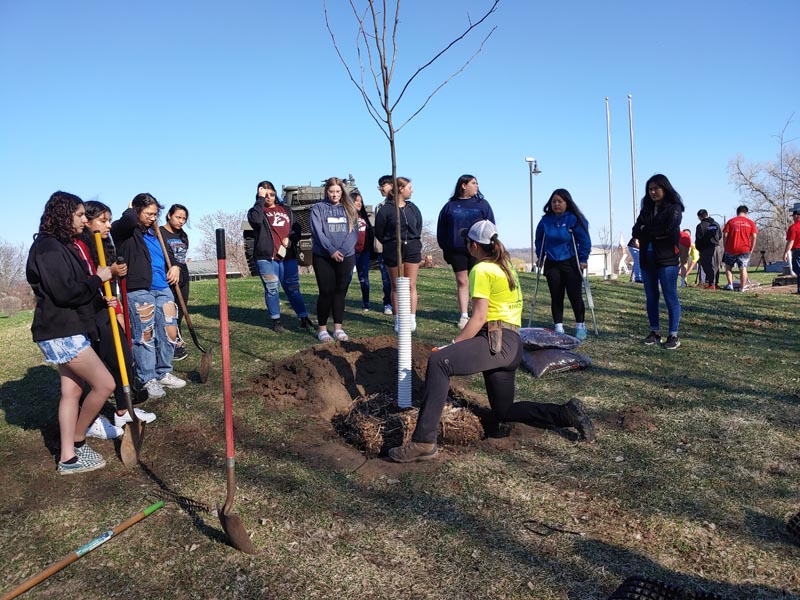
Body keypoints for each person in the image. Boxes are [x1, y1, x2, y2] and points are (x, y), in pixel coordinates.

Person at [388, 220, 596, 463]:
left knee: (439, 361)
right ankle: (564, 413)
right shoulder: (506, 265)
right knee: (504, 411)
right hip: (512, 344)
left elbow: (478, 318)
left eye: (467, 242)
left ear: (474, 245)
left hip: (496, 341)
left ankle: (423, 441)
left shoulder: (482, 269)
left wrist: (452, 344)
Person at [26, 191, 116, 474]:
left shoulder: (61, 245)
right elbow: (65, 291)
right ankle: (78, 438)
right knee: (105, 384)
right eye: (78, 215)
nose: (82, 220)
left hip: (68, 327)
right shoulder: (48, 248)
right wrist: (97, 279)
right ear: (63, 215)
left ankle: (67, 457)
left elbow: (75, 288)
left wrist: (100, 297)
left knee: (72, 391)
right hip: (61, 331)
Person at [81, 201, 157, 438]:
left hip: (110, 309)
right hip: (90, 316)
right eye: (103, 221)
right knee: (99, 368)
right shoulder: (82, 247)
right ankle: (89, 419)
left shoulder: (106, 244)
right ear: (88, 222)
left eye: (109, 220)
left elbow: (110, 282)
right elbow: (85, 283)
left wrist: (118, 304)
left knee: (122, 359)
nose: (108, 225)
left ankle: (124, 410)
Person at [111, 193, 187, 398]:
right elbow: (126, 221)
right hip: (138, 288)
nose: (153, 218)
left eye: (155, 214)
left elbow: (171, 256)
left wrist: (177, 267)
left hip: (163, 287)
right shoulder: (124, 230)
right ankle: (147, 378)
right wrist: (129, 211)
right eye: (148, 213)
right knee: (144, 334)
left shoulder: (156, 233)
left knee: (170, 329)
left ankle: (164, 372)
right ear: (136, 211)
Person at [247, 181, 313, 332]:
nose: (269, 197)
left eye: (271, 194)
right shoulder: (256, 211)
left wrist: (291, 239)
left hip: (287, 256)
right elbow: (256, 222)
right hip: (266, 257)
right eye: (265, 194)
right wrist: (260, 200)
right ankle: (276, 321)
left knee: (293, 288)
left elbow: (297, 229)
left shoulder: (286, 210)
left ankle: (303, 317)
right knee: (272, 288)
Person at [632, 174, 684, 350]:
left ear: (665, 188)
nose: (653, 192)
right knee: (651, 297)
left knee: (670, 296)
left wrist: (647, 230)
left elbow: (669, 230)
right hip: (647, 258)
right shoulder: (646, 209)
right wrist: (649, 231)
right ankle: (654, 332)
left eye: (656, 188)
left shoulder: (674, 208)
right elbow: (635, 231)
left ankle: (673, 334)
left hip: (667, 259)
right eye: (650, 189)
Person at [437, 174, 495, 329]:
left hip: (480, 249)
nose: (477, 186)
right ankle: (464, 316)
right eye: (473, 183)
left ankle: (481, 314)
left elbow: (491, 226)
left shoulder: (483, 204)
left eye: (477, 183)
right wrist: (446, 247)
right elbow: (441, 229)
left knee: (479, 282)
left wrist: (490, 247)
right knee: (462, 281)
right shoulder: (450, 206)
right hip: (457, 250)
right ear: (463, 185)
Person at [534, 189, 591, 340]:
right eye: (554, 201)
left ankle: (580, 325)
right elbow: (539, 238)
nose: (556, 204)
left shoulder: (574, 219)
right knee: (556, 295)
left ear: (567, 203)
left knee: (575, 295)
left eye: (560, 201)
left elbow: (584, 240)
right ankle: (558, 326)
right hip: (552, 262)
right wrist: (539, 255)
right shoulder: (546, 220)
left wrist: (583, 259)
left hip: (570, 261)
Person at [310, 177, 359, 342]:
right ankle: (322, 329)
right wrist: (331, 250)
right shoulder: (318, 208)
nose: (335, 194)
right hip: (323, 256)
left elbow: (354, 233)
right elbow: (317, 231)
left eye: (338, 191)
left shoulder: (350, 208)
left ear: (342, 192)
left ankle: (338, 328)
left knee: (340, 292)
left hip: (346, 256)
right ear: (327, 191)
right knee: (326, 292)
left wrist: (343, 251)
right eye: (332, 191)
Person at [374, 177, 424, 332]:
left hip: (412, 248)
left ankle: (411, 317)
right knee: (397, 285)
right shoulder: (386, 209)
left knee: (411, 285)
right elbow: (379, 231)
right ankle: (398, 318)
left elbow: (418, 225)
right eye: (410, 187)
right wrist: (392, 242)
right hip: (393, 250)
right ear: (401, 189)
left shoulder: (413, 208)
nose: (412, 190)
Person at [160, 204, 190, 360]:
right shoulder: (159, 233)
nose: (181, 221)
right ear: (169, 215)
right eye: (178, 217)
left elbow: (181, 258)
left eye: (184, 218)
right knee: (169, 312)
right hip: (167, 276)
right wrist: (173, 268)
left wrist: (178, 267)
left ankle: (177, 338)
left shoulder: (183, 235)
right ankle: (173, 344)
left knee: (181, 311)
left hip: (182, 276)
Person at [722, 205, 758, 291]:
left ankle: (730, 285)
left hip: (731, 248)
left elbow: (725, 235)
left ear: (737, 212)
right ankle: (742, 288)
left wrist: (725, 246)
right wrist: (751, 248)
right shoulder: (750, 222)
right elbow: (754, 236)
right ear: (746, 213)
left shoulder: (731, 221)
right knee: (743, 268)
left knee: (728, 267)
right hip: (744, 248)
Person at [373, 176, 395, 315]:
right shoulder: (379, 207)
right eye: (379, 186)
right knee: (385, 278)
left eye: (383, 185)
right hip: (383, 248)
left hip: (398, 248)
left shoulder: (402, 205)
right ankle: (388, 302)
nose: (381, 188)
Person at [351, 190, 375, 311]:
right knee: (346, 278)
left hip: (364, 252)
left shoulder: (364, 217)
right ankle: (339, 303)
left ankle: (366, 303)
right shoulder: (347, 217)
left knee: (364, 278)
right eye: (356, 201)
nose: (359, 203)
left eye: (361, 201)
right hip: (350, 253)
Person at [695, 209, 723, 288]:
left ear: (700, 217)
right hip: (717, 247)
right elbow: (720, 235)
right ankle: (716, 283)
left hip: (706, 248)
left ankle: (711, 283)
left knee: (707, 265)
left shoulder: (700, 226)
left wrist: (699, 249)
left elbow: (699, 239)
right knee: (716, 265)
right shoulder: (716, 224)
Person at [783, 205, 800, 294]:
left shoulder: (793, 228)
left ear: (797, 215)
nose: (793, 217)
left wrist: (785, 252)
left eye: (793, 215)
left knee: (798, 269)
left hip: (797, 251)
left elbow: (791, 241)